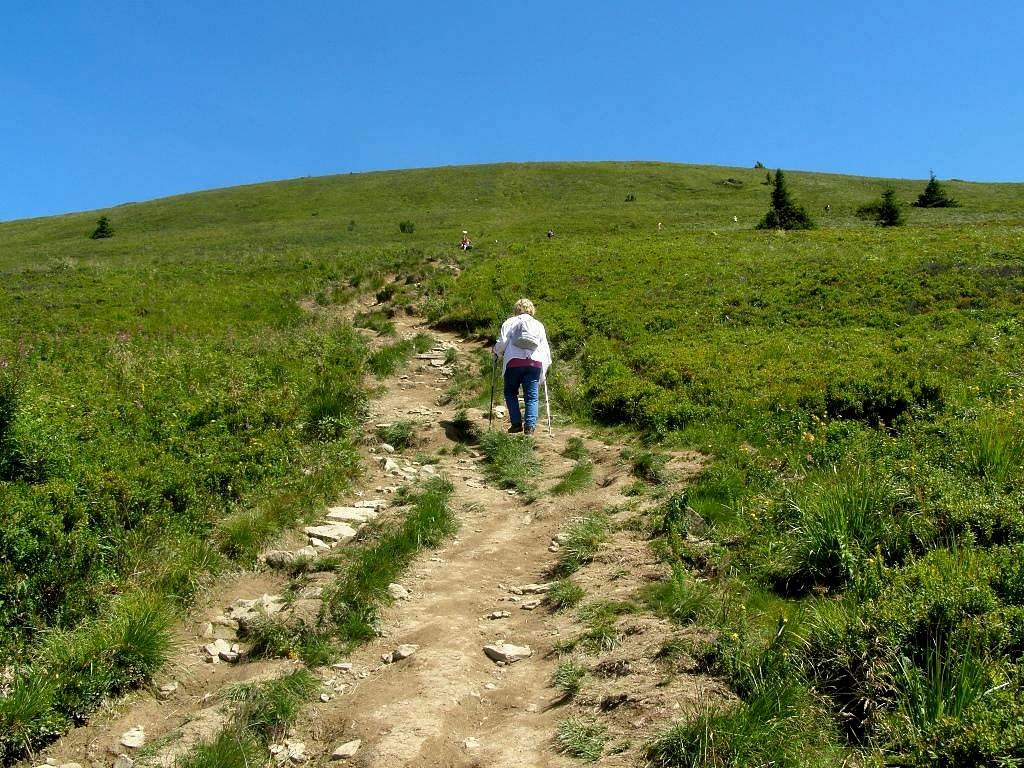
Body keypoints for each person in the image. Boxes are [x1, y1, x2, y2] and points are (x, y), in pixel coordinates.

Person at [493, 299, 551, 436]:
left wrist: (496, 351)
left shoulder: (510, 322)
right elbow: (545, 349)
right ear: (532, 310)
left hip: (513, 362)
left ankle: (516, 423)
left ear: (516, 309)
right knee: (532, 397)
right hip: (534, 363)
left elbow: (502, 343)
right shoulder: (538, 325)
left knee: (510, 392)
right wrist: (544, 368)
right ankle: (529, 429)